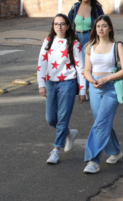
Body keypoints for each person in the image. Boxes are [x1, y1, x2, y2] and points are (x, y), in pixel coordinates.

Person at [83, 15, 123, 174]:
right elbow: (86, 70)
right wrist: (92, 81)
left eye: (104, 26)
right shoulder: (90, 46)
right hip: (96, 86)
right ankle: (116, 151)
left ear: (110, 28)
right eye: (98, 26)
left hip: (111, 87)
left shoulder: (117, 46)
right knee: (102, 122)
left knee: (101, 123)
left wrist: (107, 78)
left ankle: (93, 160)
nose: (101, 29)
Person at [37, 13, 86, 164]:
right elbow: (42, 64)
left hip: (68, 83)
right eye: (56, 24)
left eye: (62, 24)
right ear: (53, 26)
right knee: (51, 118)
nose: (59, 27)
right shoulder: (48, 41)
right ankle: (69, 133)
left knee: (63, 118)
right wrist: (42, 84)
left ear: (68, 26)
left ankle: (55, 151)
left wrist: (83, 90)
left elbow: (80, 67)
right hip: (51, 83)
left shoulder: (74, 42)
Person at [68, 0, 104, 98]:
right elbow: (68, 22)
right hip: (76, 37)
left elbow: (103, 23)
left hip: (90, 38)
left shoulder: (97, 8)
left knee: (84, 64)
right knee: (74, 63)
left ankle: (85, 89)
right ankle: (77, 87)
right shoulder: (75, 7)